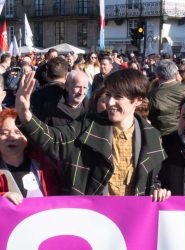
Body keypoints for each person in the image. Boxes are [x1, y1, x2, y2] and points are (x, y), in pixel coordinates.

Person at [15, 68, 166, 196]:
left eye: (118, 97)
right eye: (108, 95)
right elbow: (54, 140)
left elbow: (153, 179)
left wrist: (159, 192)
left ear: (138, 100)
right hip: (93, 219)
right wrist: (25, 114)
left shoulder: (152, 136)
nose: (110, 102)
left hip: (133, 221)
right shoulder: (88, 124)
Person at [0, 109, 60, 205]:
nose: (12, 137)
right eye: (4, 133)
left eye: (18, 132)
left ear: (27, 139)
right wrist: (2, 197)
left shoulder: (45, 167)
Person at [148, 60, 185, 136]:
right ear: (176, 73)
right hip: (184, 131)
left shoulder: (153, 94)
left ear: (157, 75)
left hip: (163, 135)